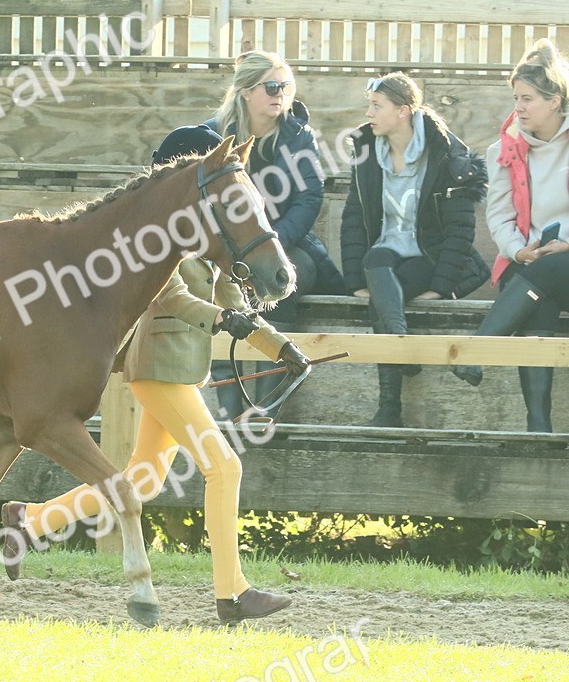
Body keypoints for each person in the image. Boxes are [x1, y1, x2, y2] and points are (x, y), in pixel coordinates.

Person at [0, 125, 310, 626]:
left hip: (184, 371)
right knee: (223, 467)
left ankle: (30, 520)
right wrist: (220, 320)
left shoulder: (215, 240)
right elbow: (174, 300)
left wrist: (281, 348)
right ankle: (232, 593)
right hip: (157, 368)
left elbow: (235, 304)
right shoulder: (159, 239)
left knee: (142, 480)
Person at [341, 72, 490, 427]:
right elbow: (353, 216)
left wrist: (441, 285)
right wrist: (353, 280)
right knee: (375, 259)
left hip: (429, 255)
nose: (369, 113)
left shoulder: (446, 155)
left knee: (383, 303)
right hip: (385, 254)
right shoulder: (366, 151)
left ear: (404, 110)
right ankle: (402, 345)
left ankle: (389, 409)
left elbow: (458, 230)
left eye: (377, 106)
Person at [201, 50, 344, 421]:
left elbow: (310, 197)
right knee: (218, 291)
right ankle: (227, 409)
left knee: (281, 281)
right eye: (272, 86)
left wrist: (271, 242)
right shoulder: (212, 135)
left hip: (288, 244)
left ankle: (265, 407)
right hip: (225, 249)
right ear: (246, 91)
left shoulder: (298, 136)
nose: (281, 93)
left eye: (286, 86)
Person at [452, 39, 569, 433]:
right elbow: (499, 218)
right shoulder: (503, 151)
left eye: (528, 98)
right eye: (515, 97)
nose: (517, 107)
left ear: (555, 101)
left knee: (551, 270)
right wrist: (520, 252)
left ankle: (476, 350)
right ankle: (538, 426)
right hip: (530, 270)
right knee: (540, 292)